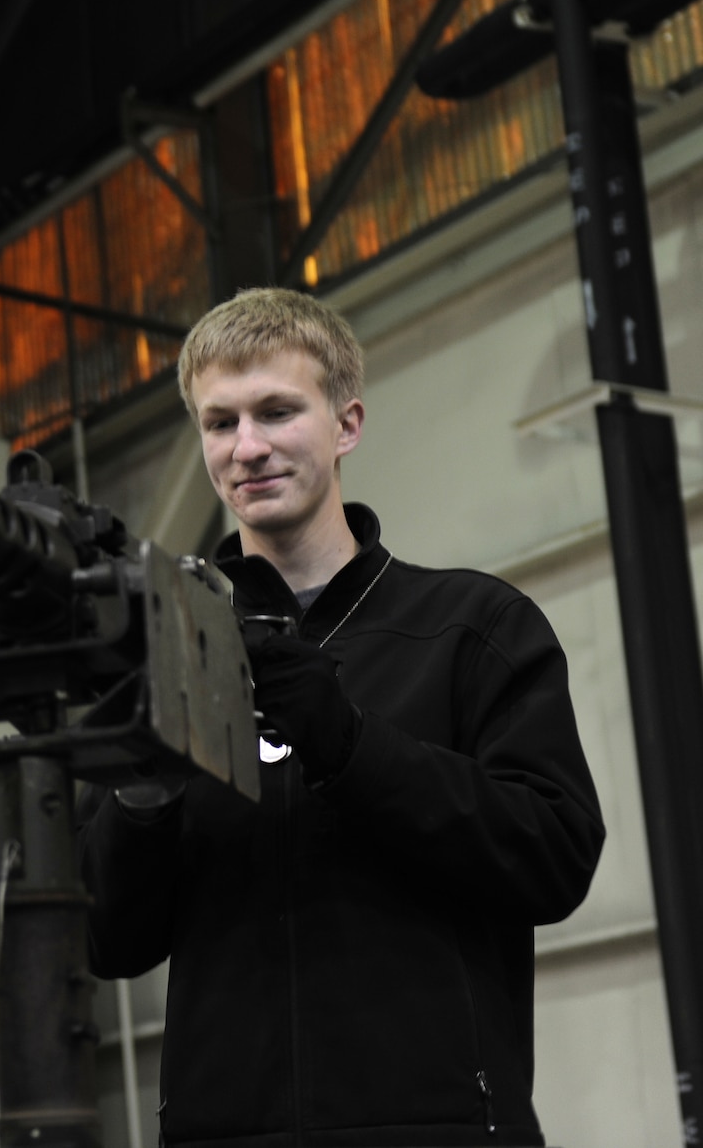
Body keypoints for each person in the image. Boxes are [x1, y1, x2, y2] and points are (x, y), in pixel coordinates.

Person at [80, 287, 604, 1147]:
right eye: (220, 423)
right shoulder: (165, 656)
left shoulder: (472, 628)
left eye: (278, 410)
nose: (247, 447)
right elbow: (109, 940)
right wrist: (142, 795)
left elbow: (554, 858)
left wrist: (352, 747)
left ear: (346, 422)